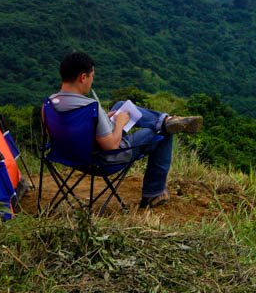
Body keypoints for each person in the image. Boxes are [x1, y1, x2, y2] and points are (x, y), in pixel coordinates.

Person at [48, 51, 202, 209]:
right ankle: (154, 194)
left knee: (121, 105)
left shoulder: (49, 104)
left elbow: (62, 133)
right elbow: (111, 147)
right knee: (163, 133)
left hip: (70, 156)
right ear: (83, 77)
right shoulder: (90, 108)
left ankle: (165, 120)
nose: (92, 81)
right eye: (92, 76)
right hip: (103, 160)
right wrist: (119, 124)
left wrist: (99, 123)